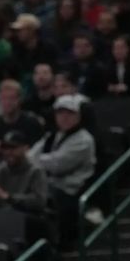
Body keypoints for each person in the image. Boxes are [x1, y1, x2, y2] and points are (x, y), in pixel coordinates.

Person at [29, 95, 96, 246]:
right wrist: (39, 160)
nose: (64, 117)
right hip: (48, 186)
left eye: (69, 113)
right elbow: (29, 157)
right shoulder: (51, 136)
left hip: (70, 191)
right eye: (60, 113)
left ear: (78, 116)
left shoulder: (84, 140)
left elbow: (58, 165)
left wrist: (37, 160)